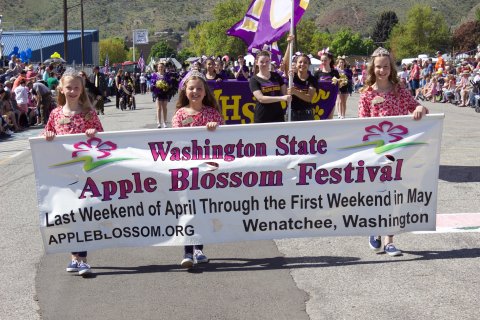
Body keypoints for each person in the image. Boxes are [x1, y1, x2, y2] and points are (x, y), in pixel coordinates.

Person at [358, 47, 428, 256]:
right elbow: (361, 125)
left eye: (386, 66)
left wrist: (419, 108)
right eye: (378, 67)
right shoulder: (367, 93)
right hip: (376, 151)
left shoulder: (399, 90)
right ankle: (374, 229)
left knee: (394, 193)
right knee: (377, 193)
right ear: (373, 68)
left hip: (398, 152)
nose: (382, 70)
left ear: (391, 68)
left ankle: (389, 239)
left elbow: (419, 107)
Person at [43, 69, 104, 275]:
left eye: (76, 87)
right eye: (69, 87)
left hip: (85, 172)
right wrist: (49, 135)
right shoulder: (55, 113)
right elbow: (46, 135)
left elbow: (103, 139)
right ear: (61, 88)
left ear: (82, 90)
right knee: (69, 214)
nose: (72, 91)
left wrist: (93, 133)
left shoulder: (89, 113)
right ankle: (73, 256)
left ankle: (83, 257)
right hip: (63, 174)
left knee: (83, 213)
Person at [171, 70, 224, 268]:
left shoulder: (212, 113)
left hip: (207, 170)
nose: (195, 92)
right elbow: (176, 140)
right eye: (191, 88)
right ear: (185, 91)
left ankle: (199, 248)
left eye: (199, 88)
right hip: (186, 170)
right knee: (187, 210)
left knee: (201, 209)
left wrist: (214, 127)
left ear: (204, 92)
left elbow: (224, 137)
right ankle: (187, 251)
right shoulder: (179, 115)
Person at [249, 51, 291, 123]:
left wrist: (290, 75)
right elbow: (261, 98)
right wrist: (281, 98)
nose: (264, 64)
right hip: (262, 117)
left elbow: (286, 93)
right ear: (257, 62)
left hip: (278, 116)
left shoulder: (276, 76)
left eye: (267, 61)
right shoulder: (254, 80)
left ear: (270, 61)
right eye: (261, 62)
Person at [283, 35, 317, 121]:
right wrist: (289, 44)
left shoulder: (312, 79)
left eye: (305, 62)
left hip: (306, 114)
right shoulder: (291, 76)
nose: (302, 64)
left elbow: (309, 98)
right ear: (296, 64)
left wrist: (295, 91)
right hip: (291, 113)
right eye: (300, 62)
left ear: (309, 64)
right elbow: (285, 64)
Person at [314, 47, 340, 119]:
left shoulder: (335, 72)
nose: (323, 62)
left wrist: (340, 82)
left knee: (329, 119)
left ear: (330, 60)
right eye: (322, 60)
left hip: (331, 100)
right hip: (319, 100)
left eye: (325, 60)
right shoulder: (317, 73)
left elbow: (338, 85)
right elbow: (313, 86)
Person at [151, 62, 171, 128]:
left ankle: (164, 122)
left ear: (164, 68)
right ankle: (158, 122)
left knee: (164, 108)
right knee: (159, 108)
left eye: (162, 67)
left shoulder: (167, 75)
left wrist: (166, 85)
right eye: (159, 67)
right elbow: (152, 83)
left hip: (165, 93)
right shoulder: (155, 75)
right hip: (158, 93)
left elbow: (169, 83)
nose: (160, 68)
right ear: (157, 68)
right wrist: (156, 85)